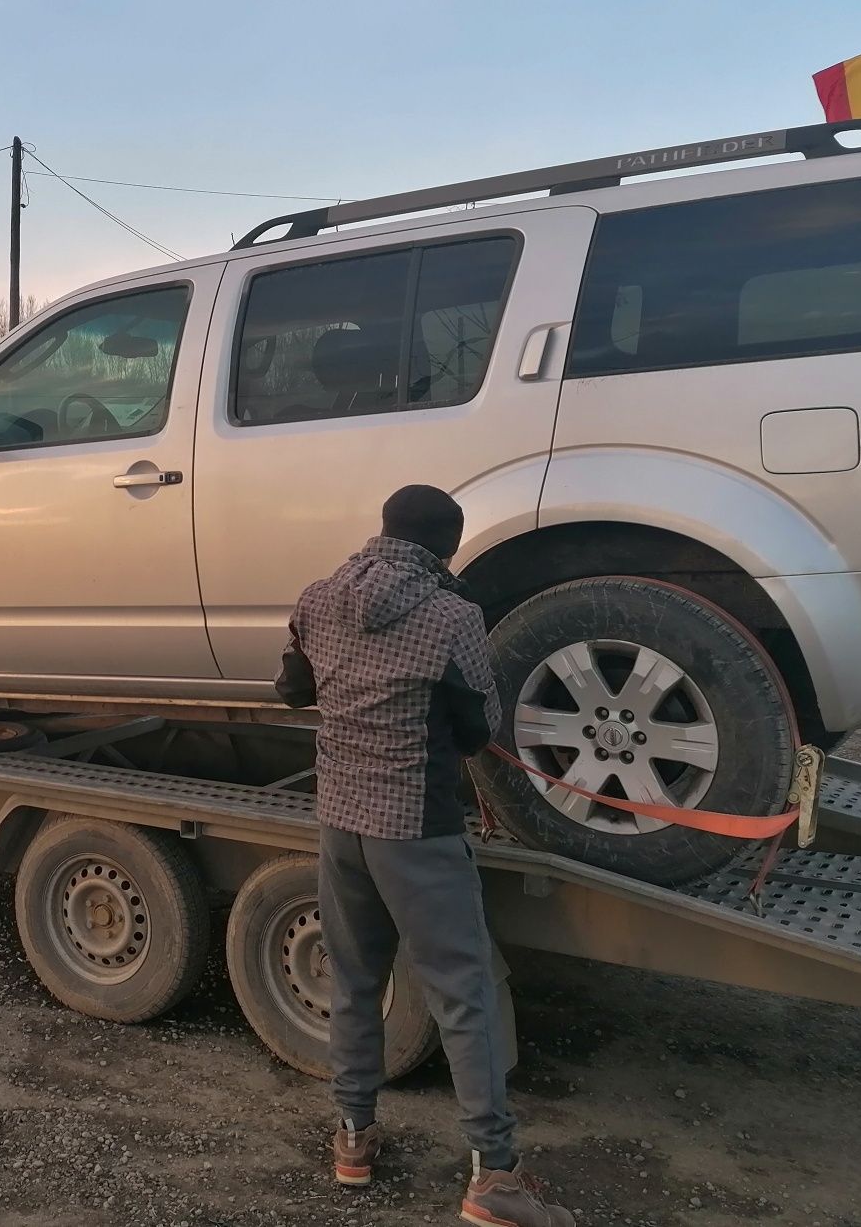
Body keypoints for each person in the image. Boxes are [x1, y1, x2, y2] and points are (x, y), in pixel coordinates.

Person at [278, 484, 572, 1227]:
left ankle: (353, 1138)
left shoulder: (317, 598)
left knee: (353, 981)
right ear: (447, 548)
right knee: (460, 995)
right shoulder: (453, 616)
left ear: (382, 530)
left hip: (340, 823)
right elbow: (477, 729)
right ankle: (495, 1177)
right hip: (417, 829)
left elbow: (291, 689)